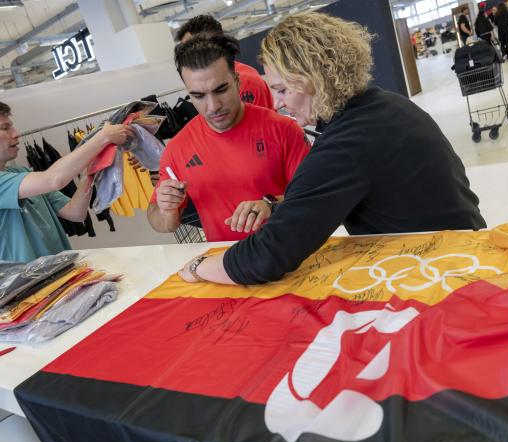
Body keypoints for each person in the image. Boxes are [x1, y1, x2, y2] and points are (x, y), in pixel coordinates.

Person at [176, 12, 486, 286]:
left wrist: (199, 266)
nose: (280, 102)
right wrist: (276, 207)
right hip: (464, 249)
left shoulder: (347, 143)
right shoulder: (385, 106)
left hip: (442, 273)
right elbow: (328, 197)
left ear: (315, 80)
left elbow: (270, 255)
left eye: (283, 90)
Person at [147, 34, 310, 242]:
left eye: (221, 90)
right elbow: (162, 222)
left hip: (291, 251)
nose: (213, 106)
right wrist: (167, 208)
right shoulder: (178, 149)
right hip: (225, 265)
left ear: (237, 81)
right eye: (199, 96)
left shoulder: (283, 129)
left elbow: (315, 195)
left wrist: (271, 204)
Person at [0, 102, 133, 262]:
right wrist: (103, 137)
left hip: (59, 273)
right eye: (5, 128)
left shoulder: (22, 173)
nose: (16, 134)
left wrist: (89, 173)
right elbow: (53, 179)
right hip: (26, 284)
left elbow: (75, 213)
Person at [175, 15, 274, 109]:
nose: (185, 55)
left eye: (190, 47)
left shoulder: (244, 81)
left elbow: (255, 125)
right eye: (199, 96)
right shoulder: (232, 74)